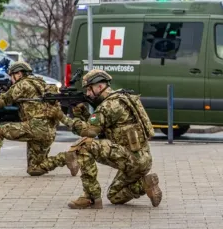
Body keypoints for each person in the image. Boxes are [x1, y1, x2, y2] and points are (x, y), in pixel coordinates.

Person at [59, 70, 162, 209]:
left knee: (83, 146)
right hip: (142, 159)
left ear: (100, 87)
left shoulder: (108, 106)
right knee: (114, 196)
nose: (88, 93)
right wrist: (83, 113)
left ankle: (90, 197)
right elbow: (101, 127)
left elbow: (89, 131)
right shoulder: (122, 97)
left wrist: (63, 117)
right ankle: (145, 184)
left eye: (90, 89)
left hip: (129, 158)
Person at [0, 61, 67, 179]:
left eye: (12, 75)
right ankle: (67, 158)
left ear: (19, 74)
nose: (11, 79)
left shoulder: (22, 84)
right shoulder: (41, 83)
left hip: (35, 128)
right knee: (34, 169)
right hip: (49, 131)